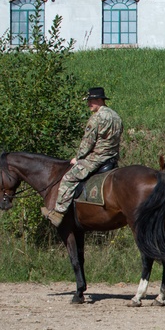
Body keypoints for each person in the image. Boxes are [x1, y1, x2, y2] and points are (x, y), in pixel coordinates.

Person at [41, 87, 122, 227]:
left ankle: (58, 213)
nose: (88, 104)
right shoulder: (116, 116)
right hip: (112, 157)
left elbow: (87, 142)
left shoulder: (96, 118)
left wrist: (78, 157)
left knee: (68, 178)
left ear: (99, 100)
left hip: (97, 158)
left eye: (91, 101)